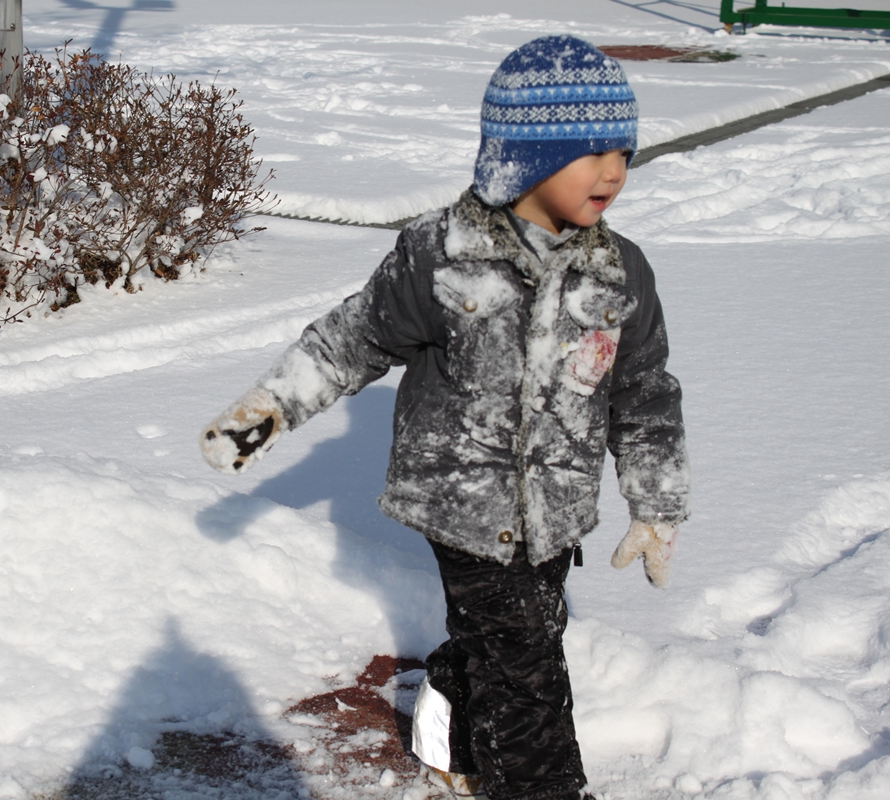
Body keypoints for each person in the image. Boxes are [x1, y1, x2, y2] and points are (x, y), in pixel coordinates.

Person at [199, 35, 689, 800]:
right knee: (527, 661)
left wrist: (656, 502)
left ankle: (452, 727)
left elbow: (646, 392)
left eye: (622, 152)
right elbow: (356, 336)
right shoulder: (440, 255)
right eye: (591, 153)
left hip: (556, 508)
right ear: (525, 158)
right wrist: (271, 408)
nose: (613, 172)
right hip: (461, 501)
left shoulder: (620, 272)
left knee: (510, 636)